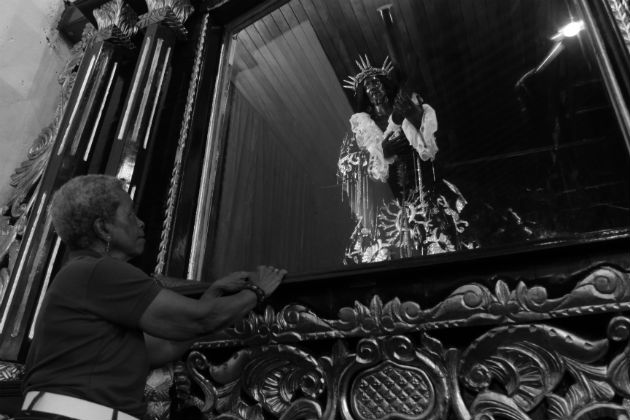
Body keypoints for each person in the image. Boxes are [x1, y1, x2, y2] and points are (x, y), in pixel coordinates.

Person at [14, 174, 286, 420]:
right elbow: (202, 321)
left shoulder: (84, 277)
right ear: (104, 229)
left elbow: (163, 346)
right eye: (130, 215)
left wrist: (210, 295)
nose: (141, 222)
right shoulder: (97, 271)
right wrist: (258, 289)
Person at [339, 56, 472, 262]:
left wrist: (414, 118)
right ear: (364, 95)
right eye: (367, 85)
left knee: (440, 239)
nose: (373, 87)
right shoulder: (361, 129)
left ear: (385, 86)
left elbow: (434, 147)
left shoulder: (409, 111)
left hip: (423, 188)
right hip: (387, 199)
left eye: (376, 81)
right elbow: (347, 165)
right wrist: (383, 151)